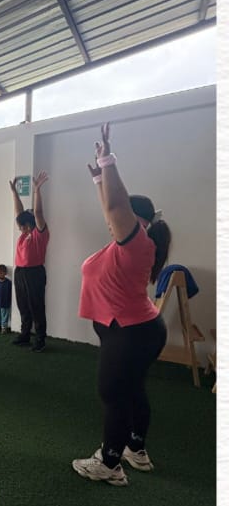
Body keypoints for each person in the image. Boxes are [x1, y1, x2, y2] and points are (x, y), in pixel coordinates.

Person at [72, 122, 172, 486]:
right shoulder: (129, 241)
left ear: (136, 219)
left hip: (130, 333)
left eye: (122, 214)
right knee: (131, 390)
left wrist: (108, 160)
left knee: (112, 394)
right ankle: (136, 450)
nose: (111, 218)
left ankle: (110, 464)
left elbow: (115, 206)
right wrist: (99, 180)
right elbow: (110, 208)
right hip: (138, 329)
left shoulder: (136, 242)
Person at [9, 170, 50, 350]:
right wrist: (14, 193)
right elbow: (19, 212)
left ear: (29, 225)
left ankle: (40, 339)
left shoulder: (39, 234)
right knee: (23, 305)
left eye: (21, 226)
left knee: (36, 306)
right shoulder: (24, 234)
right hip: (20, 272)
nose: (19, 228)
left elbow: (38, 212)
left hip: (34, 273)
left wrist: (37, 190)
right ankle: (25, 334)